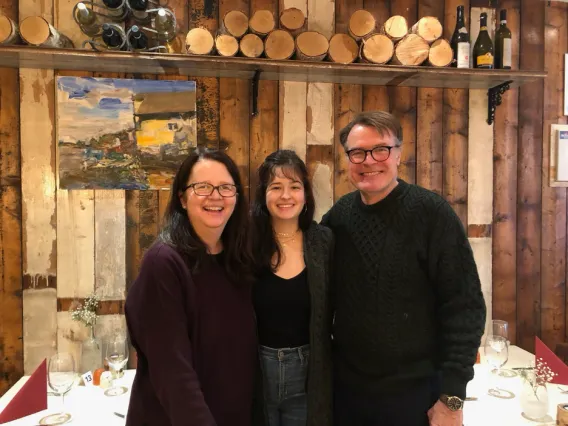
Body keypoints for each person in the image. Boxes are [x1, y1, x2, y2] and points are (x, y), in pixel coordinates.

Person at [321, 111, 487, 426]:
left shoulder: (432, 214)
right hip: (347, 394)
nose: (369, 160)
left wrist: (452, 399)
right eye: (357, 152)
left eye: (380, 149)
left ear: (399, 153)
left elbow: (465, 307)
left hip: (416, 396)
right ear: (347, 159)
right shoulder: (338, 217)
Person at [124, 148, 257, 426]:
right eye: (203, 187)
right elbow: (173, 374)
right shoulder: (163, 264)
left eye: (225, 187)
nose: (216, 196)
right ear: (182, 198)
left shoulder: (237, 259)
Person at [250, 149, 334, 426]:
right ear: (264, 194)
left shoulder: (323, 241)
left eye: (294, 187)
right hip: (256, 368)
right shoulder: (245, 241)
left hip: (310, 369)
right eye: (276, 187)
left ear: (305, 194)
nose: (286, 196)